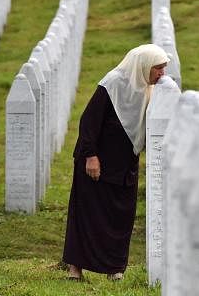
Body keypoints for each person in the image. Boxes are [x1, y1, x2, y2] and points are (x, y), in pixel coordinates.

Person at [62, 44, 169, 281]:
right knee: (86, 215)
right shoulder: (112, 83)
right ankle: (75, 268)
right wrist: (91, 156)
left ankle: (114, 268)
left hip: (124, 166)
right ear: (143, 66)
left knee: (120, 217)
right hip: (95, 164)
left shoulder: (149, 88)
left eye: (164, 69)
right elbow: (89, 122)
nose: (161, 74)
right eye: (158, 68)